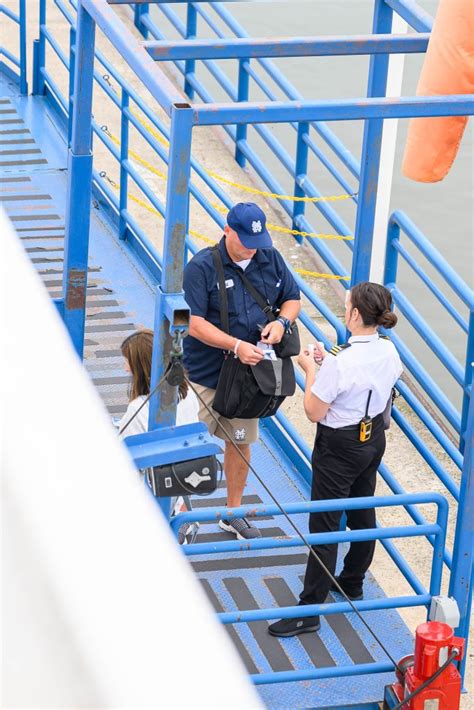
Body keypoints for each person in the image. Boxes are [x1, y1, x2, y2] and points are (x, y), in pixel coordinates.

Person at [268, 282, 403, 637]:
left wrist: (311, 369)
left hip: (338, 446)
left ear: (355, 314)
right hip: (372, 437)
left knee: (325, 526)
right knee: (362, 509)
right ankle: (352, 580)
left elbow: (314, 410)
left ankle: (309, 609)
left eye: (347, 307)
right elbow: (371, 381)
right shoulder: (388, 351)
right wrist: (327, 366)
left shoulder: (340, 361)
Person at [183, 202, 301, 540]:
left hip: (248, 381)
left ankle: (232, 512)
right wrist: (234, 345)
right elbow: (191, 322)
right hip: (204, 376)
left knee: (239, 441)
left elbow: (293, 298)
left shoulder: (271, 258)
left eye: (259, 239)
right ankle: (177, 511)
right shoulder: (202, 267)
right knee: (187, 442)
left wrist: (281, 322)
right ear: (227, 230)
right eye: (246, 240)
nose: (253, 247)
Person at [118, 329, 200, 545]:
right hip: (182, 476)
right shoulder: (189, 393)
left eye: (128, 362)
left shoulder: (140, 408)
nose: (125, 368)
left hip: (153, 484)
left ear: (140, 366)